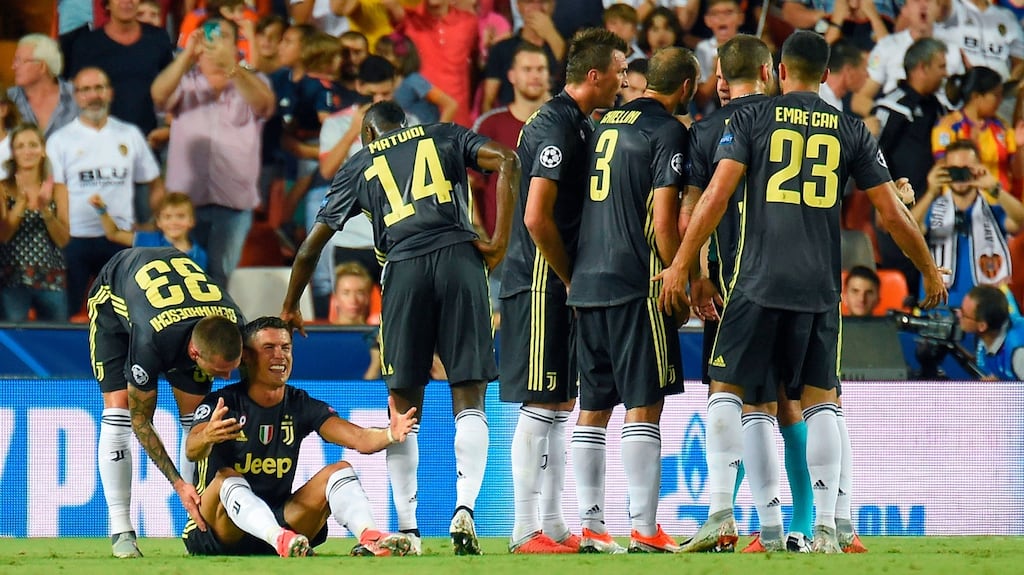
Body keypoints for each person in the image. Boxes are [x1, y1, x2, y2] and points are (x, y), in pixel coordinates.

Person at [658, 30, 947, 553]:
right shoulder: (849, 128)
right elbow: (890, 214)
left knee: (728, 392)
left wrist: (681, 262)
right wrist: (927, 269)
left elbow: (717, 197)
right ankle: (827, 526)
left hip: (757, 281)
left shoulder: (752, 118)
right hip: (818, 288)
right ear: (829, 76)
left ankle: (723, 512)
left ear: (779, 72)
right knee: (821, 404)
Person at [281, 100, 520, 556]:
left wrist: (292, 304)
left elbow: (314, 244)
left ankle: (409, 531)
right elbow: (507, 160)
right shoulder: (446, 134)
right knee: (469, 393)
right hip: (461, 260)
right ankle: (465, 507)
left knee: (403, 407)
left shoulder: (361, 163)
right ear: (406, 125)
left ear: (369, 135)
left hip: (404, 269)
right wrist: (499, 243)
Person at [681, 34, 818, 554]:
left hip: (732, 281)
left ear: (721, 77)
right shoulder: (793, 120)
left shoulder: (705, 130)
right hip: (800, 278)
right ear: (768, 71)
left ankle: (727, 514)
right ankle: (810, 523)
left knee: (730, 391)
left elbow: (694, 206)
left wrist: (694, 271)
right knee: (789, 401)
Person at [499, 28, 627, 555]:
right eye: (619, 73)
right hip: (538, 282)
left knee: (558, 402)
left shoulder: (573, 123)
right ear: (594, 76)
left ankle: (551, 525)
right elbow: (535, 217)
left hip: (553, 282)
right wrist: (570, 275)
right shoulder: (556, 127)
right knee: (539, 403)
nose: (623, 83)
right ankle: (524, 528)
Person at [568, 46, 695, 555]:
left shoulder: (603, 123)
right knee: (646, 403)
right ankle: (644, 527)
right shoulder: (667, 132)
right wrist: (678, 274)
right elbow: (663, 217)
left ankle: (593, 527)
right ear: (685, 88)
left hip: (587, 281)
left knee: (594, 406)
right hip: (635, 281)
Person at [182, 316, 417, 557]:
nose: (280, 355)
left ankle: (370, 537)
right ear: (248, 357)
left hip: (281, 524)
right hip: (219, 531)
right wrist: (207, 436)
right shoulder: (223, 403)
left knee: (340, 470)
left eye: (286, 348)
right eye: (269, 348)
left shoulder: (299, 404)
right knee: (226, 477)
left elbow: (358, 438)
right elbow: (191, 449)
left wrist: (390, 433)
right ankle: (279, 538)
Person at [87, 246, 245, 558]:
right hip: (114, 299)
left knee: (198, 420)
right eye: (219, 370)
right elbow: (140, 422)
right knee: (119, 411)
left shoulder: (236, 321)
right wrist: (177, 483)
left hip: (177, 305)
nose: (226, 377)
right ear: (195, 354)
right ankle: (121, 530)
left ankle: (196, 525)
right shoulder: (150, 341)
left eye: (231, 367)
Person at [152, 18, 276, 289]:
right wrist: (187, 56)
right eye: (208, 37)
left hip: (233, 201)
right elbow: (159, 96)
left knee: (220, 277)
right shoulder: (185, 80)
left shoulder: (254, 79)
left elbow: (265, 105)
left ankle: (216, 331)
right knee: (179, 276)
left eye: (222, 38)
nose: (213, 44)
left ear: (235, 43)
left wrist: (231, 66)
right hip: (185, 202)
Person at [47, 67, 166, 317]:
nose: (93, 95)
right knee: (68, 313)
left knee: (123, 314)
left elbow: (154, 183)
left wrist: (154, 224)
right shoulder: (60, 140)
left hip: (120, 240)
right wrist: (64, 233)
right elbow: (58, 191)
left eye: (99, 88)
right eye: (86, 90)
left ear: (110, 92)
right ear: (77, 96)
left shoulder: (130, 135)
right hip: (75, 240)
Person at [471, 42, 551, 324]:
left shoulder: (564, 121)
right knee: (497, 335)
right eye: (527, 69)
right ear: (512, 75)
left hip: (553, 251)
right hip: (501, 253)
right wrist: (483, 237)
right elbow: (470, 186)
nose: (535, 75)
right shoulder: (490, 125)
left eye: (541, 69)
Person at [911, 139, 1024, 307]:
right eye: (954, 170)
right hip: (938, 313)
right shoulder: (933, 211)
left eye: (966, 169)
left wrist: (995, 189)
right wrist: (930, 192)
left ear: (978, 169)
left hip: (983, 317)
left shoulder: (994, 212)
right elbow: (906, 231)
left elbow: (1020, 220)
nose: (960, 176)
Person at [0, 124, 70, 321]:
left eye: (33, 145)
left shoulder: (58, 190)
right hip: (12, 280)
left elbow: (64, 240)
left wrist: (45, 210)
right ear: (12, 152)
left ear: (43, 150)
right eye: (20, 146)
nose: (27, 151)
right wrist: (21, 203)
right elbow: (3, 236)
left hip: (51, 279)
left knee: (57, 340)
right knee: (14, 340)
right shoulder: (3, 188)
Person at [88, 191, 209, 270]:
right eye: (167, 217)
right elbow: (114, 234)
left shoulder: (199, 255)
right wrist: (101, 211)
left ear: (192, 221)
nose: (174, 222)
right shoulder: (147, 240)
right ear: (159, 222)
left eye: (181, 216)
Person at [7, 34, 79, 139]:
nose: (13, 67)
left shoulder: (78, 96)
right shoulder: (8, 100)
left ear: (42, 66)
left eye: (19, 61)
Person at [960, 285, 1024, 380]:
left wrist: (1005, 391)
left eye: (963, 313)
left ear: (982, 326)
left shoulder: (1019, 354)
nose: (958, 314)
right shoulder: (986, 336)